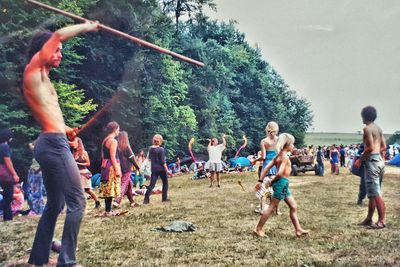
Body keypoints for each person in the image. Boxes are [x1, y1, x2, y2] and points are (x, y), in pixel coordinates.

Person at [23, 21, 99, 266]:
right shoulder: (33, 71)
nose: (60, 55)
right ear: (44, 49)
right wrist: (88, 26)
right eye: (57, 51)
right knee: (78, 201)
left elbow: (51, 117)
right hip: (53, 145)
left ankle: (38, 258)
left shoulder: (44, 80)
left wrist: (67, 130)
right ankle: (67, 260)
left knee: (56, 203)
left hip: (52, 140)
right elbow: (56, 35)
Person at [253, 133, 310, 238]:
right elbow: (279, 173)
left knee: (293, 206)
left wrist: (260, 181)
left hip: (283, 183)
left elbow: (266, 168)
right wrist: (272, 181)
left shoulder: (277, 156)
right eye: (292, 144)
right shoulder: (283, 157)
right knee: (272, 207)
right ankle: (258, 228)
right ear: (286, 145)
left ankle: (298, 230)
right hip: (281, 182)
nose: (293, 146)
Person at [354, 106, 386, 229]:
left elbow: (369, 148)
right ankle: (369, 219)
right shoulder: (378, 128)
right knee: (372, 193)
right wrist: (376, 154)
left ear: (364, 116)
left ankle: (381, 221)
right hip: (379, 161)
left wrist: (359, 160)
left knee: (376, 193)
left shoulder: (367, 129)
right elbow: (383, 146)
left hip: (371, 162)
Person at [251, 122, 279, 214]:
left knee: (264, 189)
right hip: (276, 166)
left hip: (267, 167)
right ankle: (275, 210)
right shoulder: (279, 140)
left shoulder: (264, 141)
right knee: (275, 189)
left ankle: (262, 209)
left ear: (267, 130)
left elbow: (263, 157)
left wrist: (255, 160)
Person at [71, 137, 101, 209]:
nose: (72, 144)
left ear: (79, 143)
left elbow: (88, 164)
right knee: (77, 190)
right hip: (77, 173)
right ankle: (78, 205)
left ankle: (97, 202)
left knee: (87, 190)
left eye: (74, 142)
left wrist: (78, 163)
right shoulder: (73, 153)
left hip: (84, 173)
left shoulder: (84, 153)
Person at [99, 121, 122, 216]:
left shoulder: (105, 140)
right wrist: (117, 169)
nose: (118, 132)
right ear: (115, 129)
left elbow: (103, 155)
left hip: (105, 165)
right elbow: (112, 156)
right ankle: (108, 211)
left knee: (107, 188)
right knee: (111, 188)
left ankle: (107, 210)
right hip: (111, 166)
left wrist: (104, 162)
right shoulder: (113, 141)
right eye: (118, 129)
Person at [114, 131, 140, 208]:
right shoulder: (126, 147)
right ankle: (117, 200)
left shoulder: (117, 146)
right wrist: (138, 167)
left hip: (120, 167)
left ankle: (132, 202)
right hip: (126, 168)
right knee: (124, 184)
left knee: (129, 185)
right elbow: (132, 158)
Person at [143, 134, 172, 204]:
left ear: (153, 141)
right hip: (161, 169)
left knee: (152, 185)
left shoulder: (150, 149)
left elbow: (149, 159)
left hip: (154, 169)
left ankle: (146, 199)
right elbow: (163, 162)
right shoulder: (161, 149)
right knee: (165, 183)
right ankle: (164, 198)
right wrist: (167, 170)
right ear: (160, 141)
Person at [0, 128, 20, 222]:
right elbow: (7, 162)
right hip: (5, 174)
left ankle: (6, 217)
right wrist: (14, 174)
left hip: (1, 174)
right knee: (8, 196)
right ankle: (8, 218)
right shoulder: (5, 146)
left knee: (5, 195)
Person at [26, 142, 45, 216]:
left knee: (36, 192)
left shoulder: (42, 153)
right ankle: (35, 209)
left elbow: (44, 163)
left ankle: (38, 210)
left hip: (37, 173)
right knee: (32, 190)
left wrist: (38, 170)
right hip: (33, 171)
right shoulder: (37, 153)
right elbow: (30, 144)